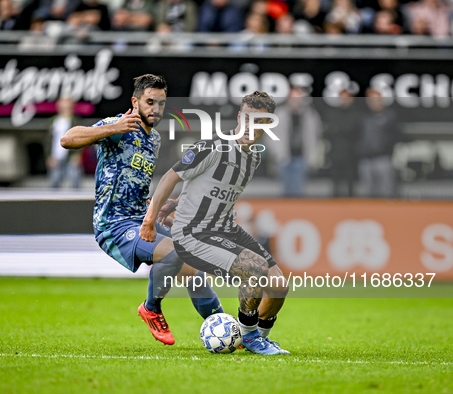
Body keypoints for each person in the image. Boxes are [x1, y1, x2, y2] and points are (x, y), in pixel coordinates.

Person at [61, 74, 223, 345]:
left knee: (194, 268)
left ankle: (223, 327)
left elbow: (135, 182)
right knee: (174, 253)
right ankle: (151, 308)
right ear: (135, 102)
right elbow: (68, 140)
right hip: (114, 226)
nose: (155, 109)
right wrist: (112, 129)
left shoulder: (154, 140)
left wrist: (157, 212)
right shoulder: (118, 125)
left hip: (139, 217)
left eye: (160, 104)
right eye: (150, 102)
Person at [140, 91, 290, 355]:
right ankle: (250, 336)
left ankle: (258, 338)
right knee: (253, 268)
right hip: (193, 233)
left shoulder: (253, 156)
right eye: (246, 118)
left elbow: (209, 187)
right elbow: (170, 178)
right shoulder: (212, 146)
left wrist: (176, 203)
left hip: (226, 227)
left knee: (279, 285)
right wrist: (150, 218)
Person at [269, 86, 323, 197]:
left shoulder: (310, 115)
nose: (296, 101)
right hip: (284, 157)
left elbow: (315, 136)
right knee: (285, 189)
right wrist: (277, 152)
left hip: (302, 157)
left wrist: (313, 156)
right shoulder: (280, 114)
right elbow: (270, 135)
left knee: (298, 190)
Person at [357, 87, 400, 198]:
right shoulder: (364, 117)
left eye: (376, 99)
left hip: (383, 159)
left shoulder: (390, 116)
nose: (373, 103)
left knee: (388, 192)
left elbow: (395, 136)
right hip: (366, 160)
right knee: (369, 193)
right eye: (370, 100)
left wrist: (386, 148)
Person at [47, 97, 82, 189]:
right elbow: (48, 140)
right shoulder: (54, 120)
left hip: (71, 156)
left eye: (67, 102)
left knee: (75, 182)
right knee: (54, 183)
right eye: (62, 102)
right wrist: (48, 156)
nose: (64, 105)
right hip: (56, 156)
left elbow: (82, 138)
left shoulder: (75, 120)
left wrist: (78, 155)